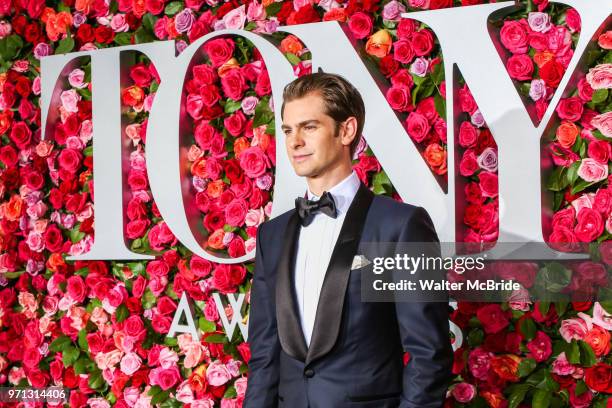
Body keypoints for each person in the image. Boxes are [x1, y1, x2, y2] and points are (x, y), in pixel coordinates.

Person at [244, 72, 453, 408]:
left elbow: (428, 355)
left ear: (346, 130)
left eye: (309, 127)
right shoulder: (272, 234)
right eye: (287, 130)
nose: (294, 141)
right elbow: (265, 356)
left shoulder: (400, 227)